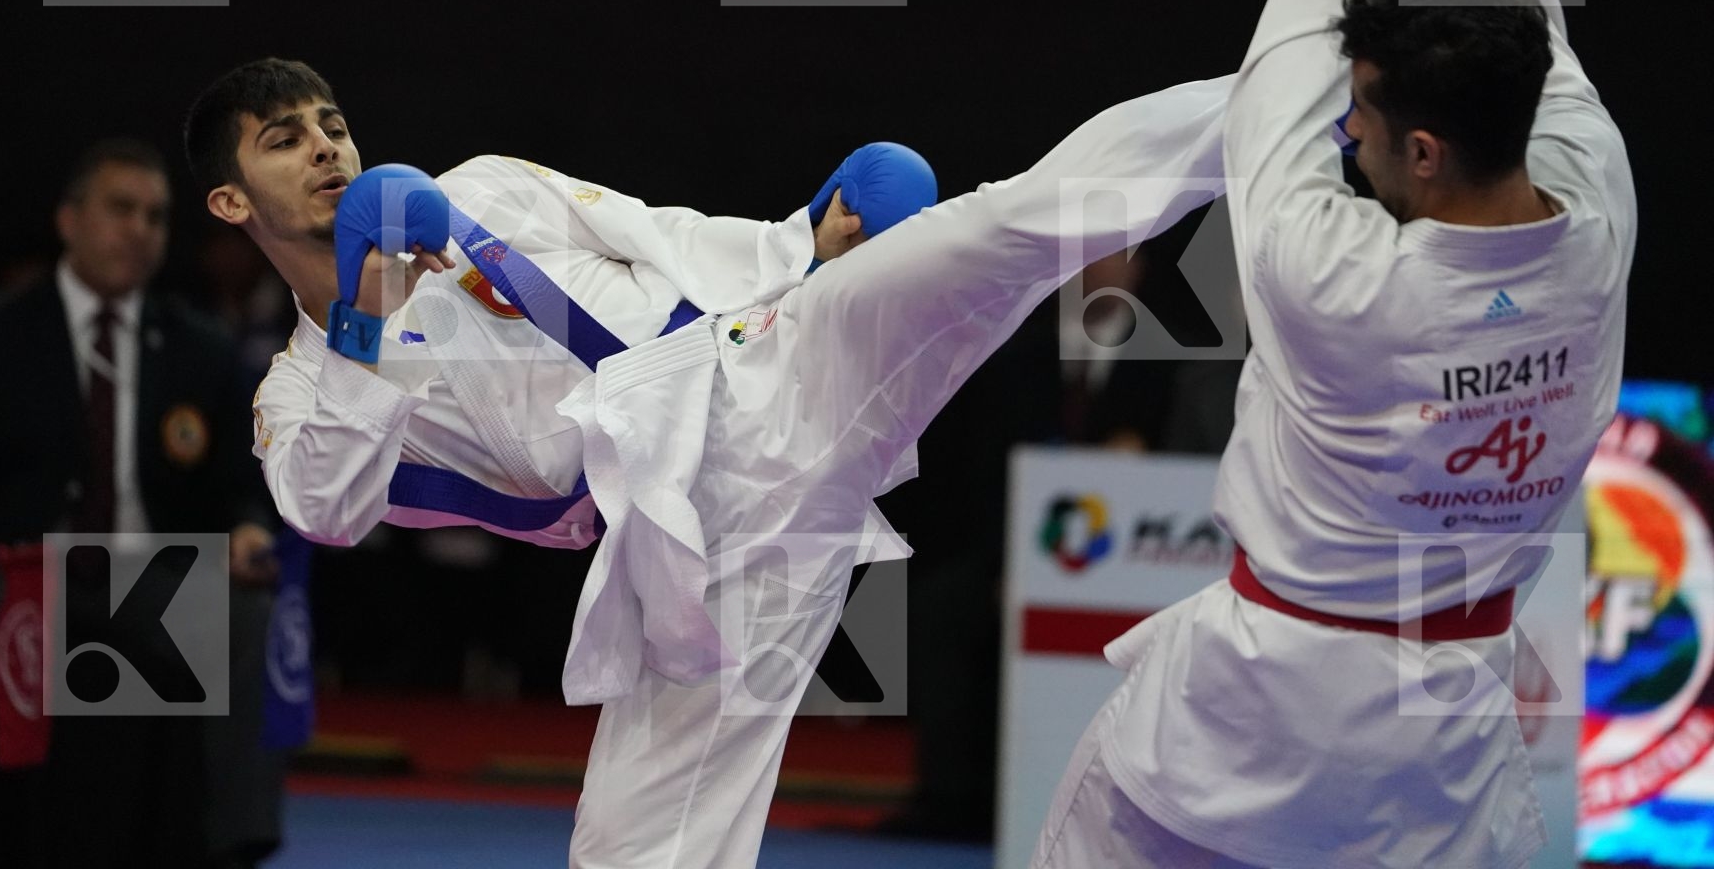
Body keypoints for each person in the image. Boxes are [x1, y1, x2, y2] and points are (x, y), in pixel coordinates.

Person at [186, 43, 1234, 865]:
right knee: (633, 856)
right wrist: (369, 315)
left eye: (332, 125)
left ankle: (1286, 86)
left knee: (1015, 221)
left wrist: (794, 246)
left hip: (769, 380)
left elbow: (656, 238)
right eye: (284, 140)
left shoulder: (480, 193)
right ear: (230, 202)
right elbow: (326, 506)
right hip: (685, 559)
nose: (326, 148)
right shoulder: (300, 392)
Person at [1029, 0, 1636, 865]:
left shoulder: (1340, 282)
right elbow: (1521, 3)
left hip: (1248, 717)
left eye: (1364, 118)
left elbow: (1281, 88)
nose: (1345, 132)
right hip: (1448, 741)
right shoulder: (1596, 208)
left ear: (1421, 147)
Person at [0, 139, 287, 868]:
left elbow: (240, 484)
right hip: (17, 580)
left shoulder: (200, 347)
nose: (140, 229)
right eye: (121, 209)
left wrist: (247, 528)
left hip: (152, 585)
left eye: (155, 216)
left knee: (249, 611)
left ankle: (235, 840)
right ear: (68, 219)